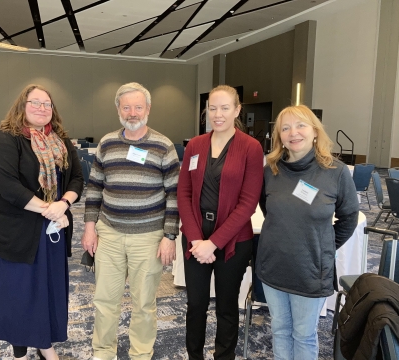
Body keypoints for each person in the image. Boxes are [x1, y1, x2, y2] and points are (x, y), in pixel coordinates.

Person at [0, 84, 84, 360]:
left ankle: (42, 340)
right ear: (22, 106)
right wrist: (48, 209)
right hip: (14, 230)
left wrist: (63, 204)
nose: (42, 108)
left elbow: (76, 178)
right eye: (35, 103)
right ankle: (30, 342)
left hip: (51, 229)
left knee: (47, 289)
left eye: (47, 104)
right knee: (20, 290)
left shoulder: (61, 140)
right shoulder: (5, 139)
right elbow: (8, 186)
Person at [81, 82, 180, 360]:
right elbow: (94, 188)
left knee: (144, 304)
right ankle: (103, 353)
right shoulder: (107, 143)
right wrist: (90, 228)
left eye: (138, 107)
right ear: (118, 110)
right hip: (109, 234)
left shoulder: (163, 146)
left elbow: (175, 194)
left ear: (148, 109)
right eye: (127, 107)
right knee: (104, 301)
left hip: (148, 237)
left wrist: (169, 236)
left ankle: (140, 354)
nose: (132, 113)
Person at [257, 105, 359, 360]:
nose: (294, 133)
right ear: (279, 136)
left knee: (304, 334)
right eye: (286, 128)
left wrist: (322, 246)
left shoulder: (335, 172)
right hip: (274, 265)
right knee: (279, 329)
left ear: (314, 131)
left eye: (300, 125)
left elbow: (349, 217)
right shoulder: (271, 170)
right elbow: (267, 208)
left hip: (311, 269)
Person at [177, 85, 264, 360]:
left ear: (238, 110)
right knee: (196, 305)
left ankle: (223, 356)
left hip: (234, 241)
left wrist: (213, 243)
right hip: (195, 234)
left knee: (227, 307)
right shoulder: (195, 145)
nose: (218, 114)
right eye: (212, 108)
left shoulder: (251, 147)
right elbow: (184, 193)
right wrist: (196, 239)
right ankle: (195, 356)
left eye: (225, 108)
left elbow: (248, 203)